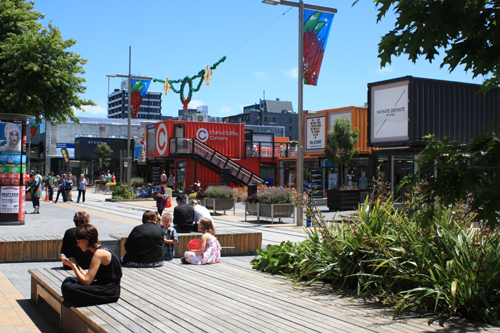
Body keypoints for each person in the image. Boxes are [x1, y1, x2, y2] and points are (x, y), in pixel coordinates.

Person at [60, 224, 122, 308]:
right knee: (68, 281)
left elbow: (86, 282)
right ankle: (75, 300)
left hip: (108, 291)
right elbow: (87, 277)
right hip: (105, 288)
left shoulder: (99, 253)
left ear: (87, 239)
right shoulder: (99, 250)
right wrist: (75, 264)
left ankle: (76, 300)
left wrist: (73, 266)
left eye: (79, 242)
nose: (78, 245)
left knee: (69, 287)